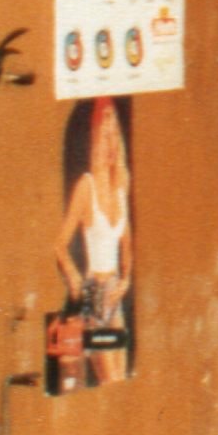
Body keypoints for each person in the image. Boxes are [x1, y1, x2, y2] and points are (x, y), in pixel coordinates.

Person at [58, 100, 138, 388]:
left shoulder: (121, 186)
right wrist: (76, 281)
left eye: (114, 135)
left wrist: (126, 280)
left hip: (115, 293)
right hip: (94, 294)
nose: (110, 144)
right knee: (109, 381)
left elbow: (127, 242)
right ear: (95, 139)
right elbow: (59, 245)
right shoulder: (86, 186)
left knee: (120, 378)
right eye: (104, 136)